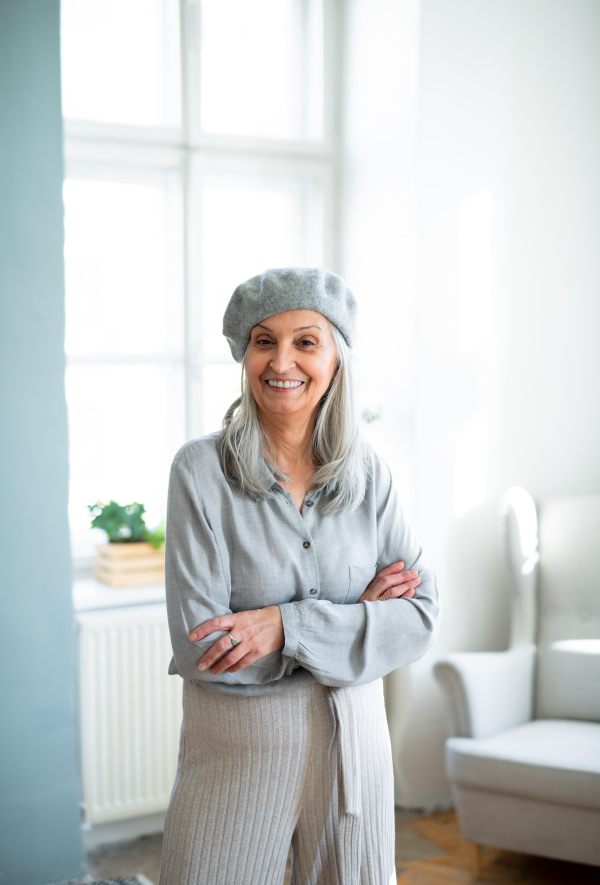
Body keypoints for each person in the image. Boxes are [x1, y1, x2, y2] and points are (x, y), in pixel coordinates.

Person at [159, 267, 439, 885]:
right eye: (264, 340)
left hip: (355, 751)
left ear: (337, 357)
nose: (281, 360)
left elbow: (419, 616)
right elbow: (205, 646)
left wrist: (284, 627)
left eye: (306, 341)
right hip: (238, 751)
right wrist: (357, 619)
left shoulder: (372, 475)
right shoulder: (199, 473)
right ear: (244, 353)